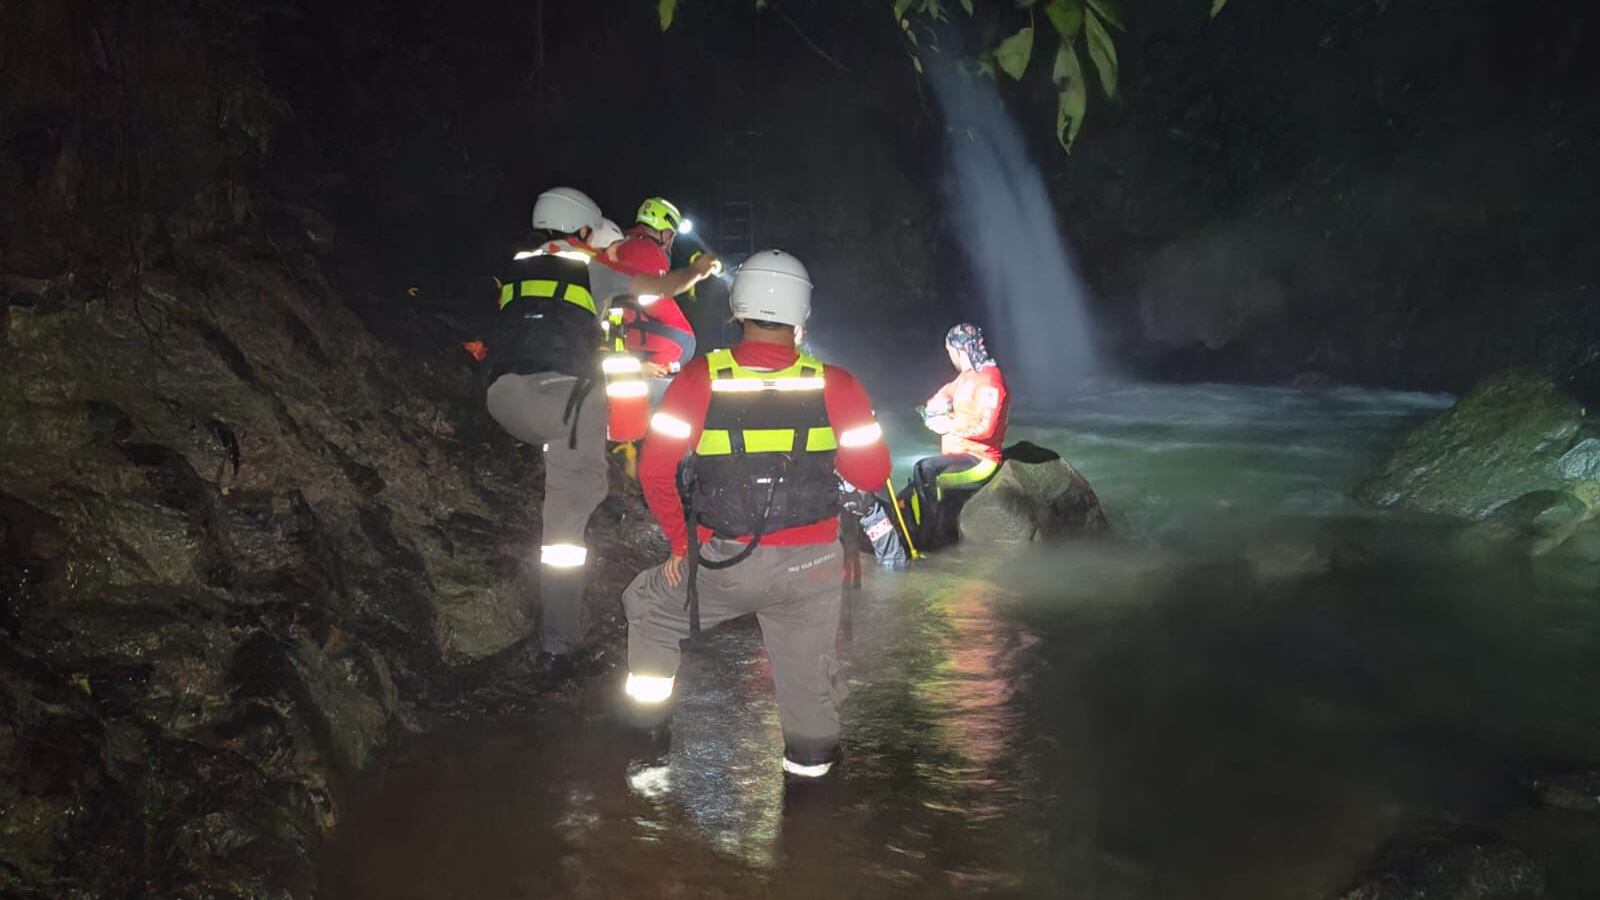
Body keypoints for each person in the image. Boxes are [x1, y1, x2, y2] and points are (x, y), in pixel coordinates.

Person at [620, 249, 891, 779]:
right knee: (808, 683)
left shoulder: (699, 378)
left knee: (648, 606)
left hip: (725, 561)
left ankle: (646, 747)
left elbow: (654, 471)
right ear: (802, 313)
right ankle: (812, 781)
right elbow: (872, 474)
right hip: (814, 567)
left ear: (738, 309)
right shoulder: (838, 384)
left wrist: (681, 544)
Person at [483, 186, 719, 674]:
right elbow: (658, 289)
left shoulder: (517, 267)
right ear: (582, 228)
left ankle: (570, 467)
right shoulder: (589, 268)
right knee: (566, 531)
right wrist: (697, 270)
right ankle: (558, 644)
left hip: (502, 398)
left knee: (582, 421)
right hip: (563, 404)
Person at [903, 323, 1010, 547]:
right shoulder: (966, 377)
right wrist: (933, 411)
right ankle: (931, 530)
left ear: (960, 350)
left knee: (924, 469)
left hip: (981, 460)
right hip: (959, 456)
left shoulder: (991, 379)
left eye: (950, 351)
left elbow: (987, 429)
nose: (950, 356)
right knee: (915, 483)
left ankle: (928, 540)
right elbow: (942, 395)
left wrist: (949, 425)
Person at [608, 197, 698, 384]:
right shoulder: (647, 250)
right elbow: (660, 302)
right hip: (628, 327)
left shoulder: (625, 244)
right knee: (684, 341)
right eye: (671, 237)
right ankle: (646, 381)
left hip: (616, 326)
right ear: (665, 234)